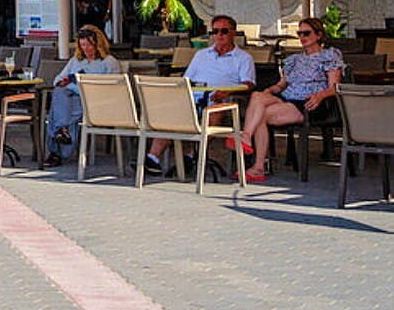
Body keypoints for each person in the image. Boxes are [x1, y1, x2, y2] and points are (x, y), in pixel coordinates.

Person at [233, 17, 342, 183]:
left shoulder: (328, 56)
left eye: (306, 33)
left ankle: (258, 164)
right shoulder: (294, 60)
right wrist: (269, 91)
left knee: (260, 115)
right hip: (287, 97)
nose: (302, 37)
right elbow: (281, 85)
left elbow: (334, 87)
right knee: (257, 97)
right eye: (300, 33)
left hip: (309, 102)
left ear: (319, 35)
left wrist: (320, 95)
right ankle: (248, 140)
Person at [143, 14, 255, 175]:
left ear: (234, 33)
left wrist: (227, 91)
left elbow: (248, 84)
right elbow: (186, 80)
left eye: (224, 31)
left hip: (220, 99)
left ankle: (192, 155)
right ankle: (152, 159)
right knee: (171, 113)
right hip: (193, 98)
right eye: (215, 31)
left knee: (214, 110)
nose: (219, 35)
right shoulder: (201, 55)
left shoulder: (243, 58)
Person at [44, 25, 121, 167]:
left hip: (94, 101)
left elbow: (110, 89)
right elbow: (57, 80)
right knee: (60, 94)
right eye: (83, 45)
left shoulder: (109, 62)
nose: (86, 49)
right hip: (71, 99)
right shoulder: (76, 60)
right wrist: (66, 82)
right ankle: (62, 134)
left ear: (98, 44)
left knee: (59, 109)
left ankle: (56, 149)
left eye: (89, 45)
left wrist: (74, 85)